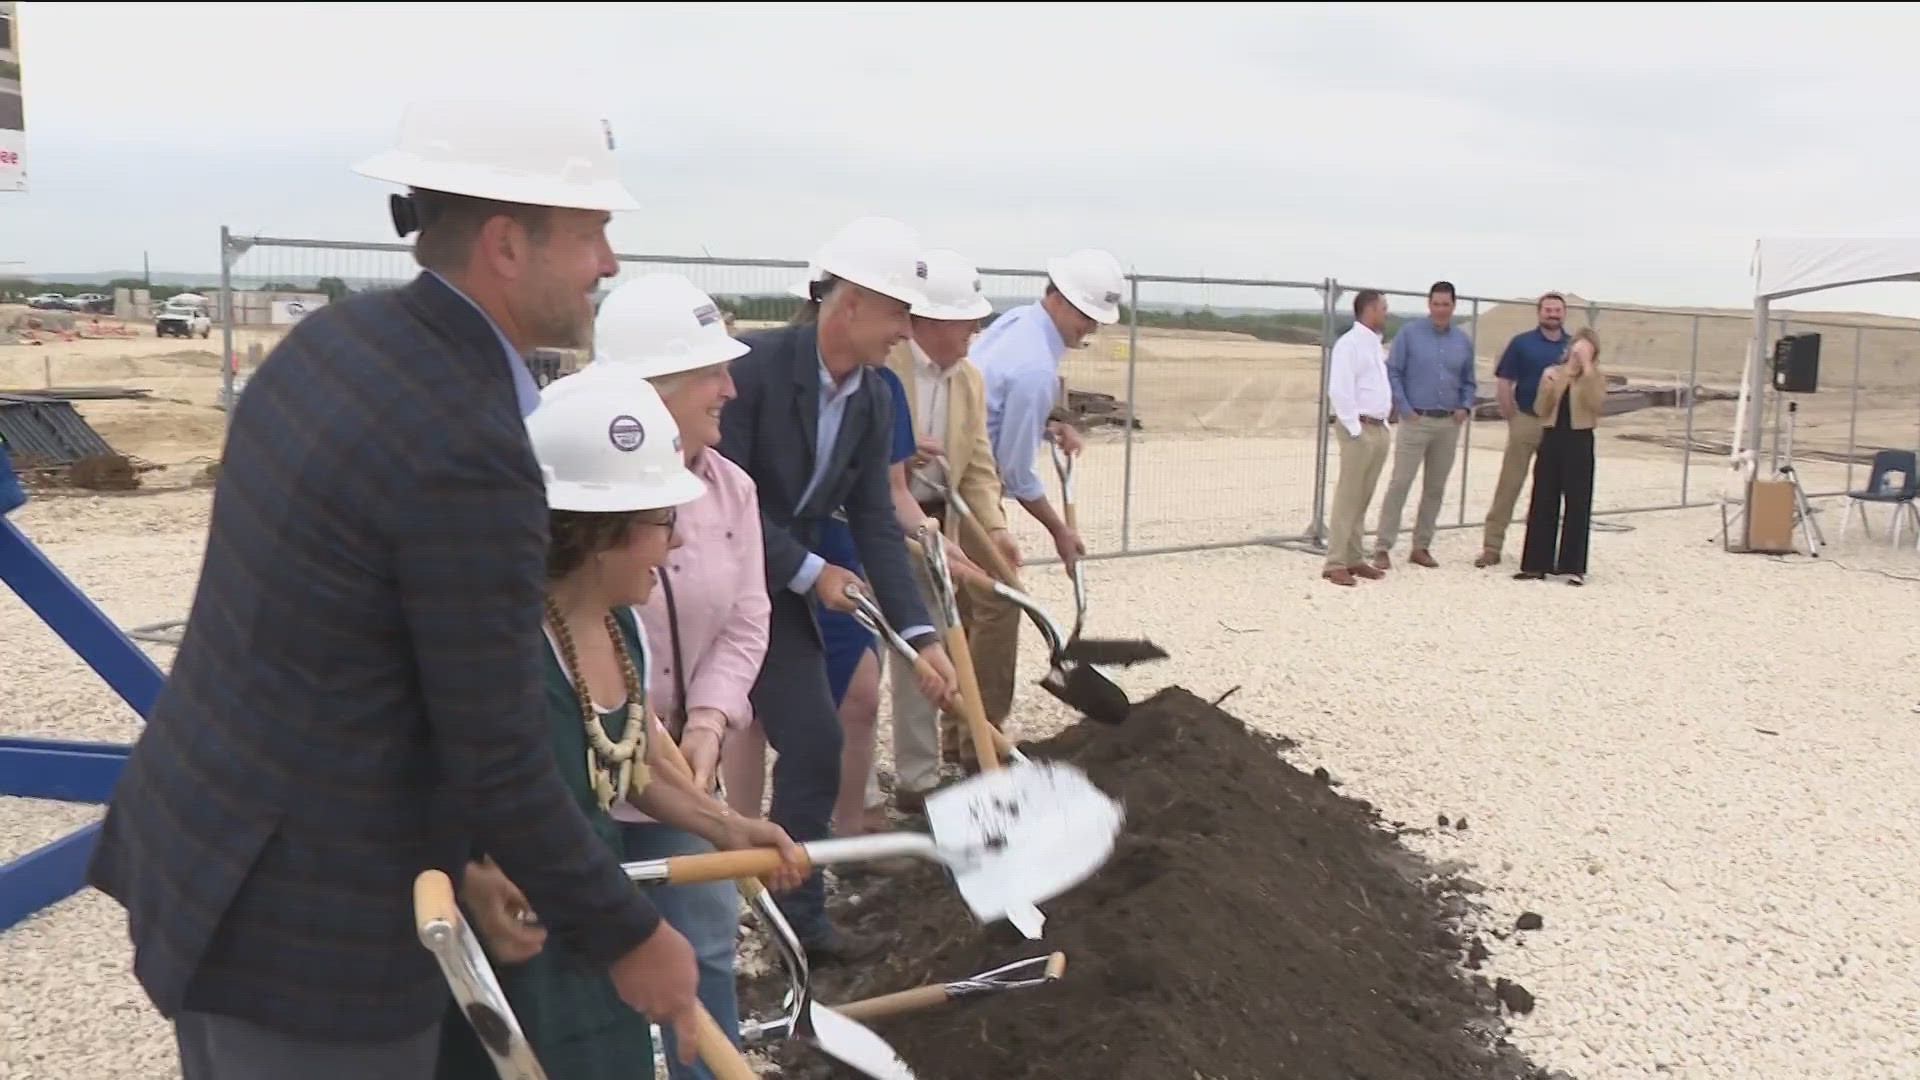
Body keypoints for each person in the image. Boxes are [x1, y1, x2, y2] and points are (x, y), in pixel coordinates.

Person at [84, 101, 710, 1079]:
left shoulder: (335, 345)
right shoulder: (469, 444)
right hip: (308, 938)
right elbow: (498, 753)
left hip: (207, 864)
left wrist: (460, 858)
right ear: (507, 244)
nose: (610, 264)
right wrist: (633, 937)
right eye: (591, 233)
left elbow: (344, 657)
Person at [436, 368, 806, 1080]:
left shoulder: (622, 628)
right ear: (599, 534)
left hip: (594, 922)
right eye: (663, 523)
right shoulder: (505, 643)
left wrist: (727, 826)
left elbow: (631, 762)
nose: (674, 547)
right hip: (517, 937)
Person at [715, 214, 958, 963]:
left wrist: (920, 638)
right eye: (896, 314)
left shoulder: (874, 396)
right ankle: (693, 906)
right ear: (847, 304)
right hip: (709, 578)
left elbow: (878, 522)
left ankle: (800, 925)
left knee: (816, 740)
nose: (906, 333)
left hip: (777, 589)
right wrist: (813, 572)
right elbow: (730, 501)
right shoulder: (752, 368)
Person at [572, 272, 769, 1077]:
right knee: (586, 968)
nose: (729, 387)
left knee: (703, 947)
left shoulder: (733, 490)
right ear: (649, 391)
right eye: (709, 373)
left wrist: (709, 726)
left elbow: (748, 617)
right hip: (590, 773)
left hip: (678, 769)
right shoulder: (581, 504)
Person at [884, 247, 1018, 809]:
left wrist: (997, 526)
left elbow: (979, 465)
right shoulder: (884, 367)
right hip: (876, 520)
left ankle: (934, 773)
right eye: (968, 319)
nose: (977, 329)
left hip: (937, 525)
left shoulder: (968, 379)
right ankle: (912, 784)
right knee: (914, 647)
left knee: (935, 640)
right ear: (931, 321)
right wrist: (899, 455)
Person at [971, 249, 1120, 579]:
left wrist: (1046, 426)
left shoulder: (1019, 320)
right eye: (1086, 314)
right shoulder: (1035, 368)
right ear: (1059, 299)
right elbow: (1016, 473)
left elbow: (993, 404)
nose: (1092, 327)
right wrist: (1060, 531)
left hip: (957, 480)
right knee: (997, 607)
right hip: (968, 491)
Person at [1373, 280, 1476, 570]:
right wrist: (1405, 408)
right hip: (1415, 420)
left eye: (1446, 304)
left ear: (1454, 306)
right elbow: (1393, 372)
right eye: (1436, 303)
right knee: (1400, 483)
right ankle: (1382, 546)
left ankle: (1421, 546)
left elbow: (1469, 380)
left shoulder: (1462, 341)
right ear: (1428, 304)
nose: (1440, 309)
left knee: (1435, 487)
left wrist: (1464, 406)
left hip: (1448, 424)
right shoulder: (1410, 334)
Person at [1476, 292, 1571, 568]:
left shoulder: (1572, 346)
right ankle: (1492, 546)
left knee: (1549, 489)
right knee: (1509, 484)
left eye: (1557, 310)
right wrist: (1511, 416)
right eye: (1548, 309)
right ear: (1539, 312)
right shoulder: (1522, 343)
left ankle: (1542, 551)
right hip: (1526, 420)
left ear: (1564, 314)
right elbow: (1505, 380)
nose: (1552, 314)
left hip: (1557, 426)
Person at [1516, 327, 1606, 585]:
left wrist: (1587, 368)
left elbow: (1596, 404)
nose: (1578, 354)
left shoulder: (1596, 376)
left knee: (1578, 502)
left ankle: (1572, 566)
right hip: (1553, 437)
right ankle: (1536, 563)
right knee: (1543, 498)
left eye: (1585, 350)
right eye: (1576, 348)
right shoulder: (1554, 373)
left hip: (1580, 439)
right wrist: (1547, 387)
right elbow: (1539, 409)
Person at [1322, 289, 1394, 587]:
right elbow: (1340, 390)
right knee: (1348, 496)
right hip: (1359, 428)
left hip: (1378, 427)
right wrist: (1353, 429)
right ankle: (1335, 562)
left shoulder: (1374, 346)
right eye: (1383, 308)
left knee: (1363, 497)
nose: (1386, 313)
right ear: (1369, 310)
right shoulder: (1349, 345)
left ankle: (1354, 557)